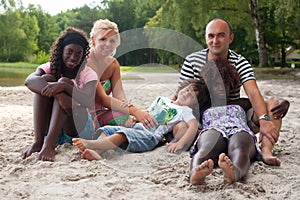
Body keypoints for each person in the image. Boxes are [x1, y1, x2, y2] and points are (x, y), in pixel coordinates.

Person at [175, 18, 290, 166]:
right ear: (206, 38)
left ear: (230, 38)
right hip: (203, 118)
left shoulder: (240, 62)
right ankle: (207, 144)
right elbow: (180, 95)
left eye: (221, 35)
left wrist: (264, 119)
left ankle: (266, 151)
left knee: (273, 106)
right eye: (211, 36)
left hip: (236, 118)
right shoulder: (193, 61)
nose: (215, 40)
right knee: (180, 127)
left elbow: (253, 93)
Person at [72, 79, 202, 161]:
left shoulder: (185, 111)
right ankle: (97, 152)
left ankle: (93, 145)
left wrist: (179, 143)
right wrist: (136, 118)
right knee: (108, 130)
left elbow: (193, 125)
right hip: (137, 127)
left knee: (123, 135)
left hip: (150, 136)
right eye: (187, 90)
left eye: (191, 96)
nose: (186, 94)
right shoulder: (164, 99)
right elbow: (148, 113)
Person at [21, 27, 98, 161]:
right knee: (46, 79)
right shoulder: (51, 66)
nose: (73, 57)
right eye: (69, 51)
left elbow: (88, 101)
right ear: (61, 50)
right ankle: (39, 142)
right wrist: (59, 95)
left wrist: (64, 87)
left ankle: (49, 145)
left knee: (63, 82)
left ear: (83, 56)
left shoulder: (88, 73)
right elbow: (29, 81)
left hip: (77, 128)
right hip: (53, 128)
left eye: (78, 54)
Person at [189, 59, 259, 185]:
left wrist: (284, 104)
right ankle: (195, 172)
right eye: (215, 84)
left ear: (230, 84)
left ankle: (235, 172)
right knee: (206, 148)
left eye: (224, 83)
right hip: (213, 129)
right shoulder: (203, 106)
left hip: (239, 129)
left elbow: (265, 106)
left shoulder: (243, 103)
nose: (220, 87)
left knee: (240, 147)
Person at [87, 18, 154, 129]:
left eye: (112, 41)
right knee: (131, 116)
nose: (108, 44)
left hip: (100, 113)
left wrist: (129, 108)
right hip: (83, 115)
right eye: (103, 39)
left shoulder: (113, 64)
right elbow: (104, 100)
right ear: (93, 40)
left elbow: (119, 96)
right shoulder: (87, 62)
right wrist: (136, 111)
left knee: (125, 118)